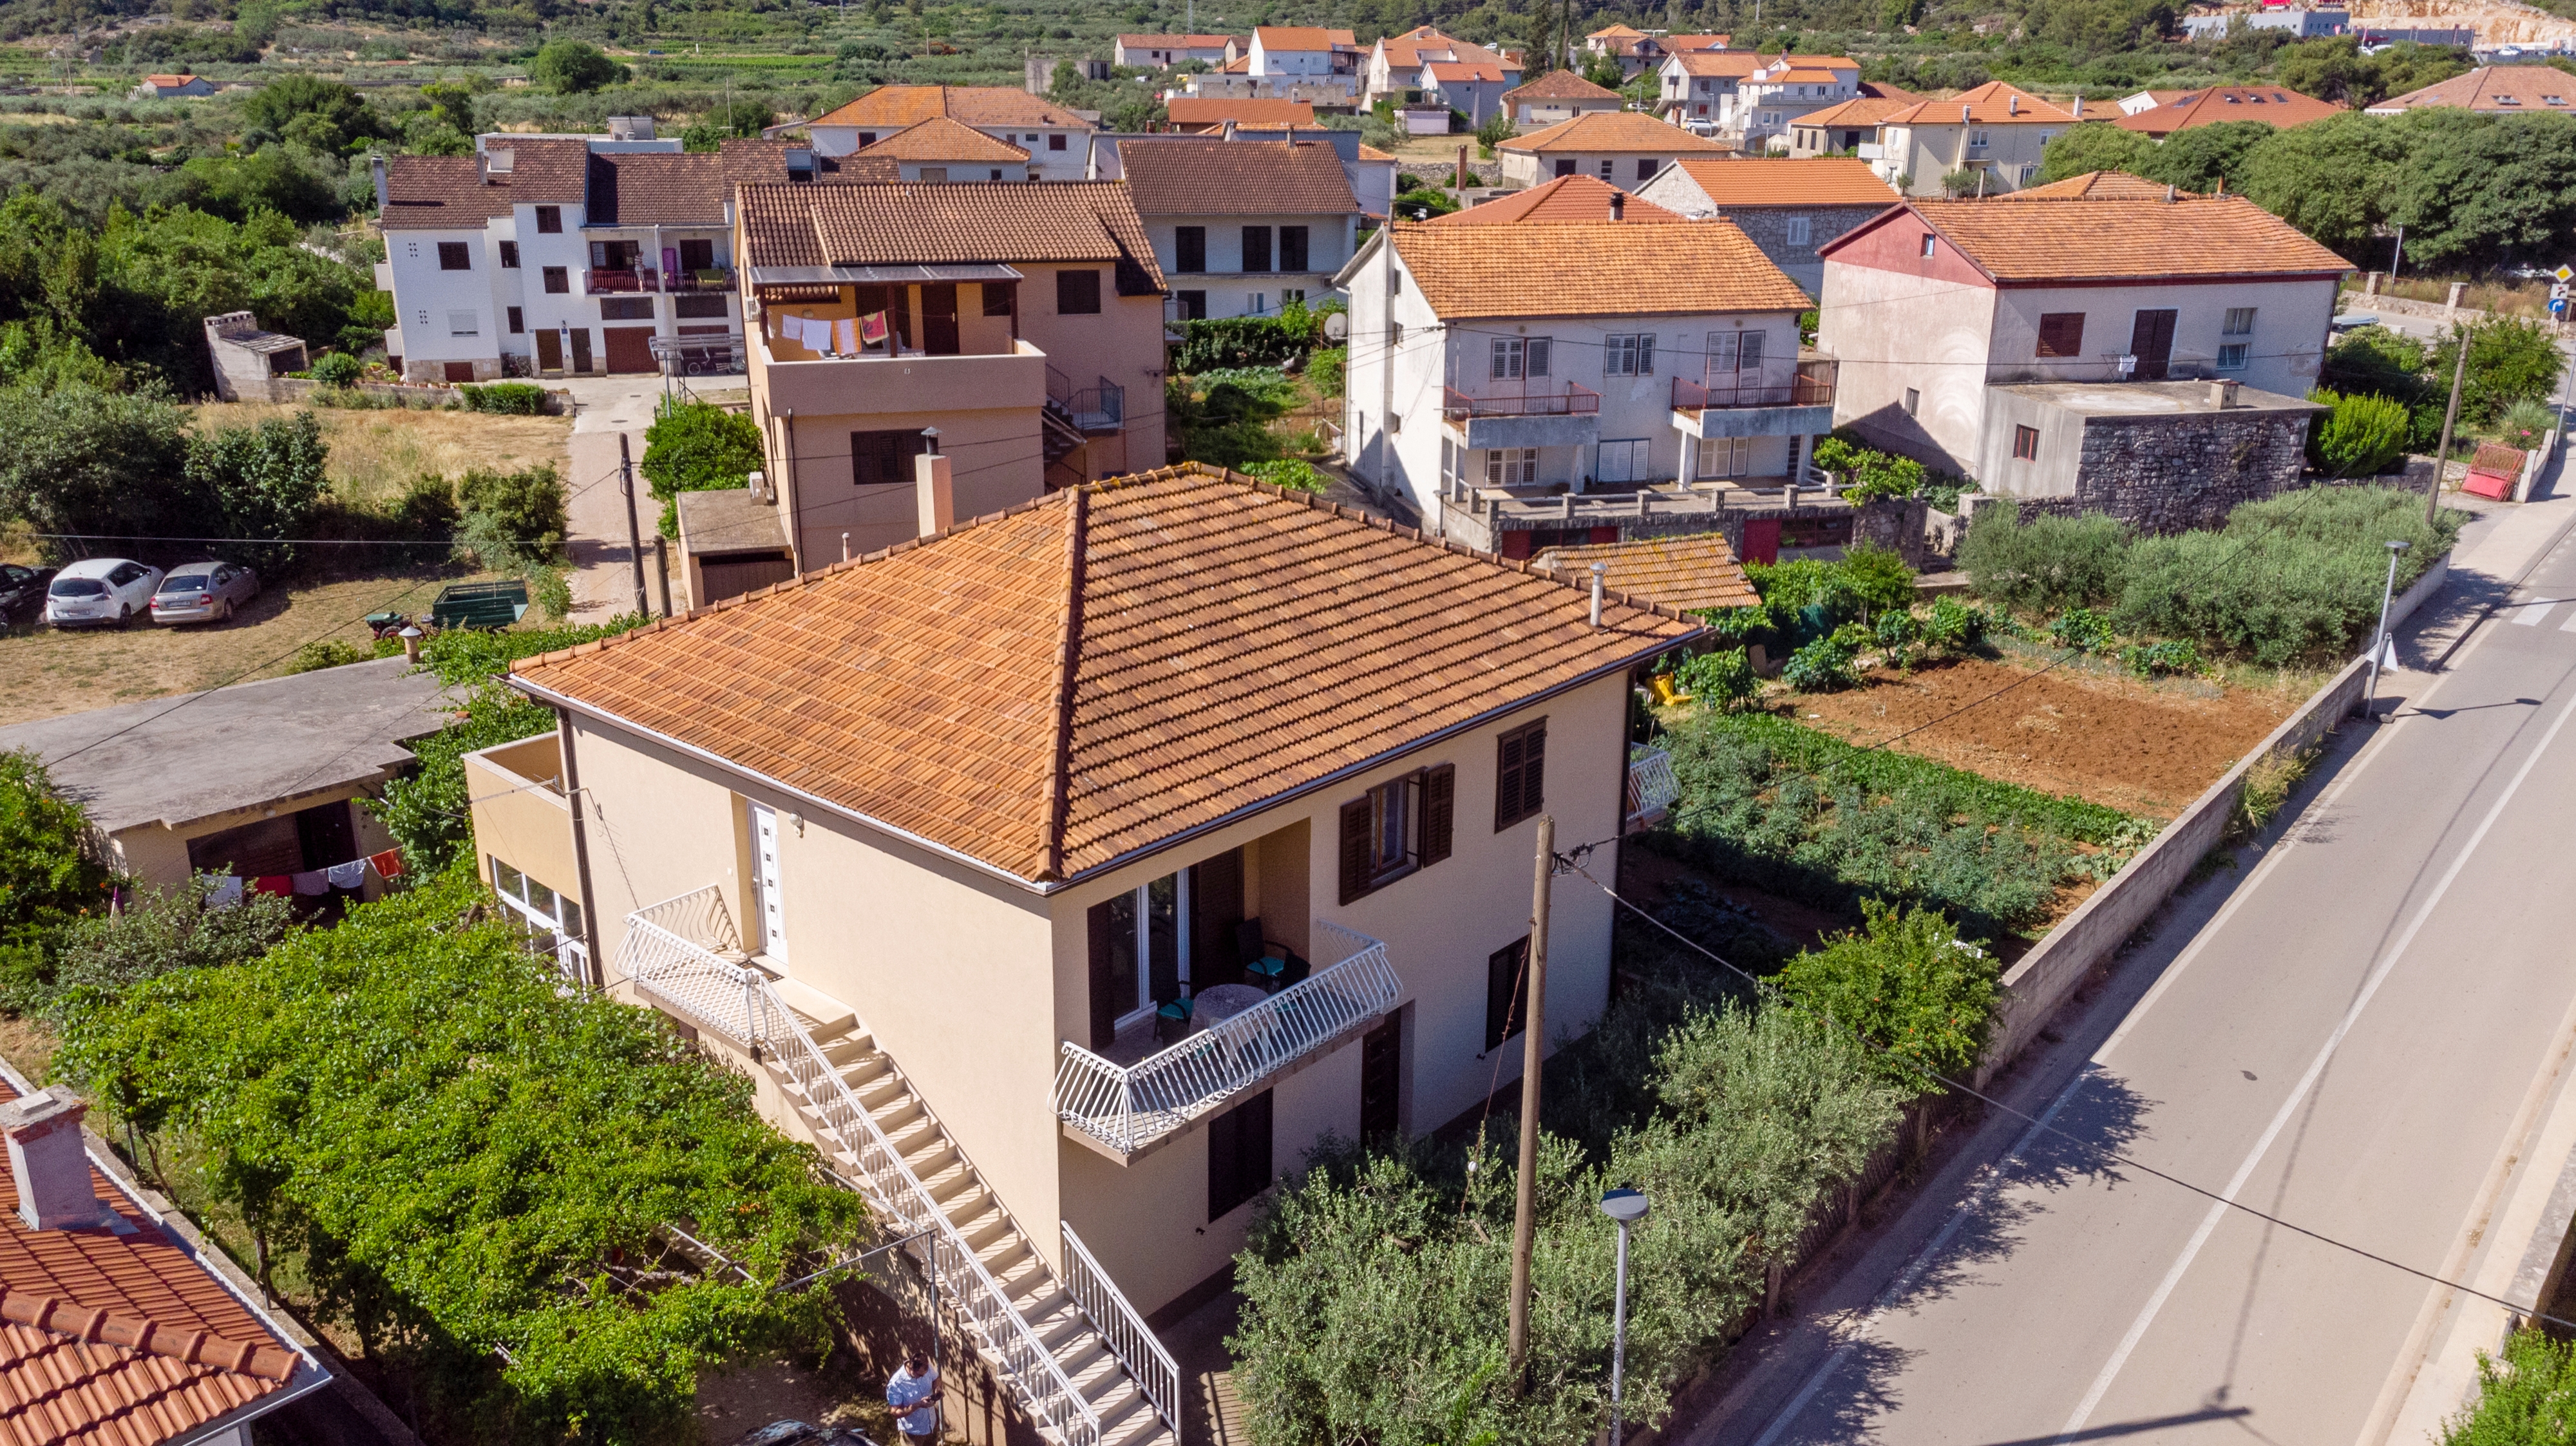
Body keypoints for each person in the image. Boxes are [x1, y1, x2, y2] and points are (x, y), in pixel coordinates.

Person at [887, 1350, 939, 1444]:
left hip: (931, 1425)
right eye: (920, 1375)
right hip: (913, 1433)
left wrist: (937, 1389)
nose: (922, 1376)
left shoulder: (925, 1368)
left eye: (924, 1374)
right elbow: (895, 1412)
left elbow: (936, 1379)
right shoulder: (896, 1384)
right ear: (912, 1369)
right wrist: (918, 1405)